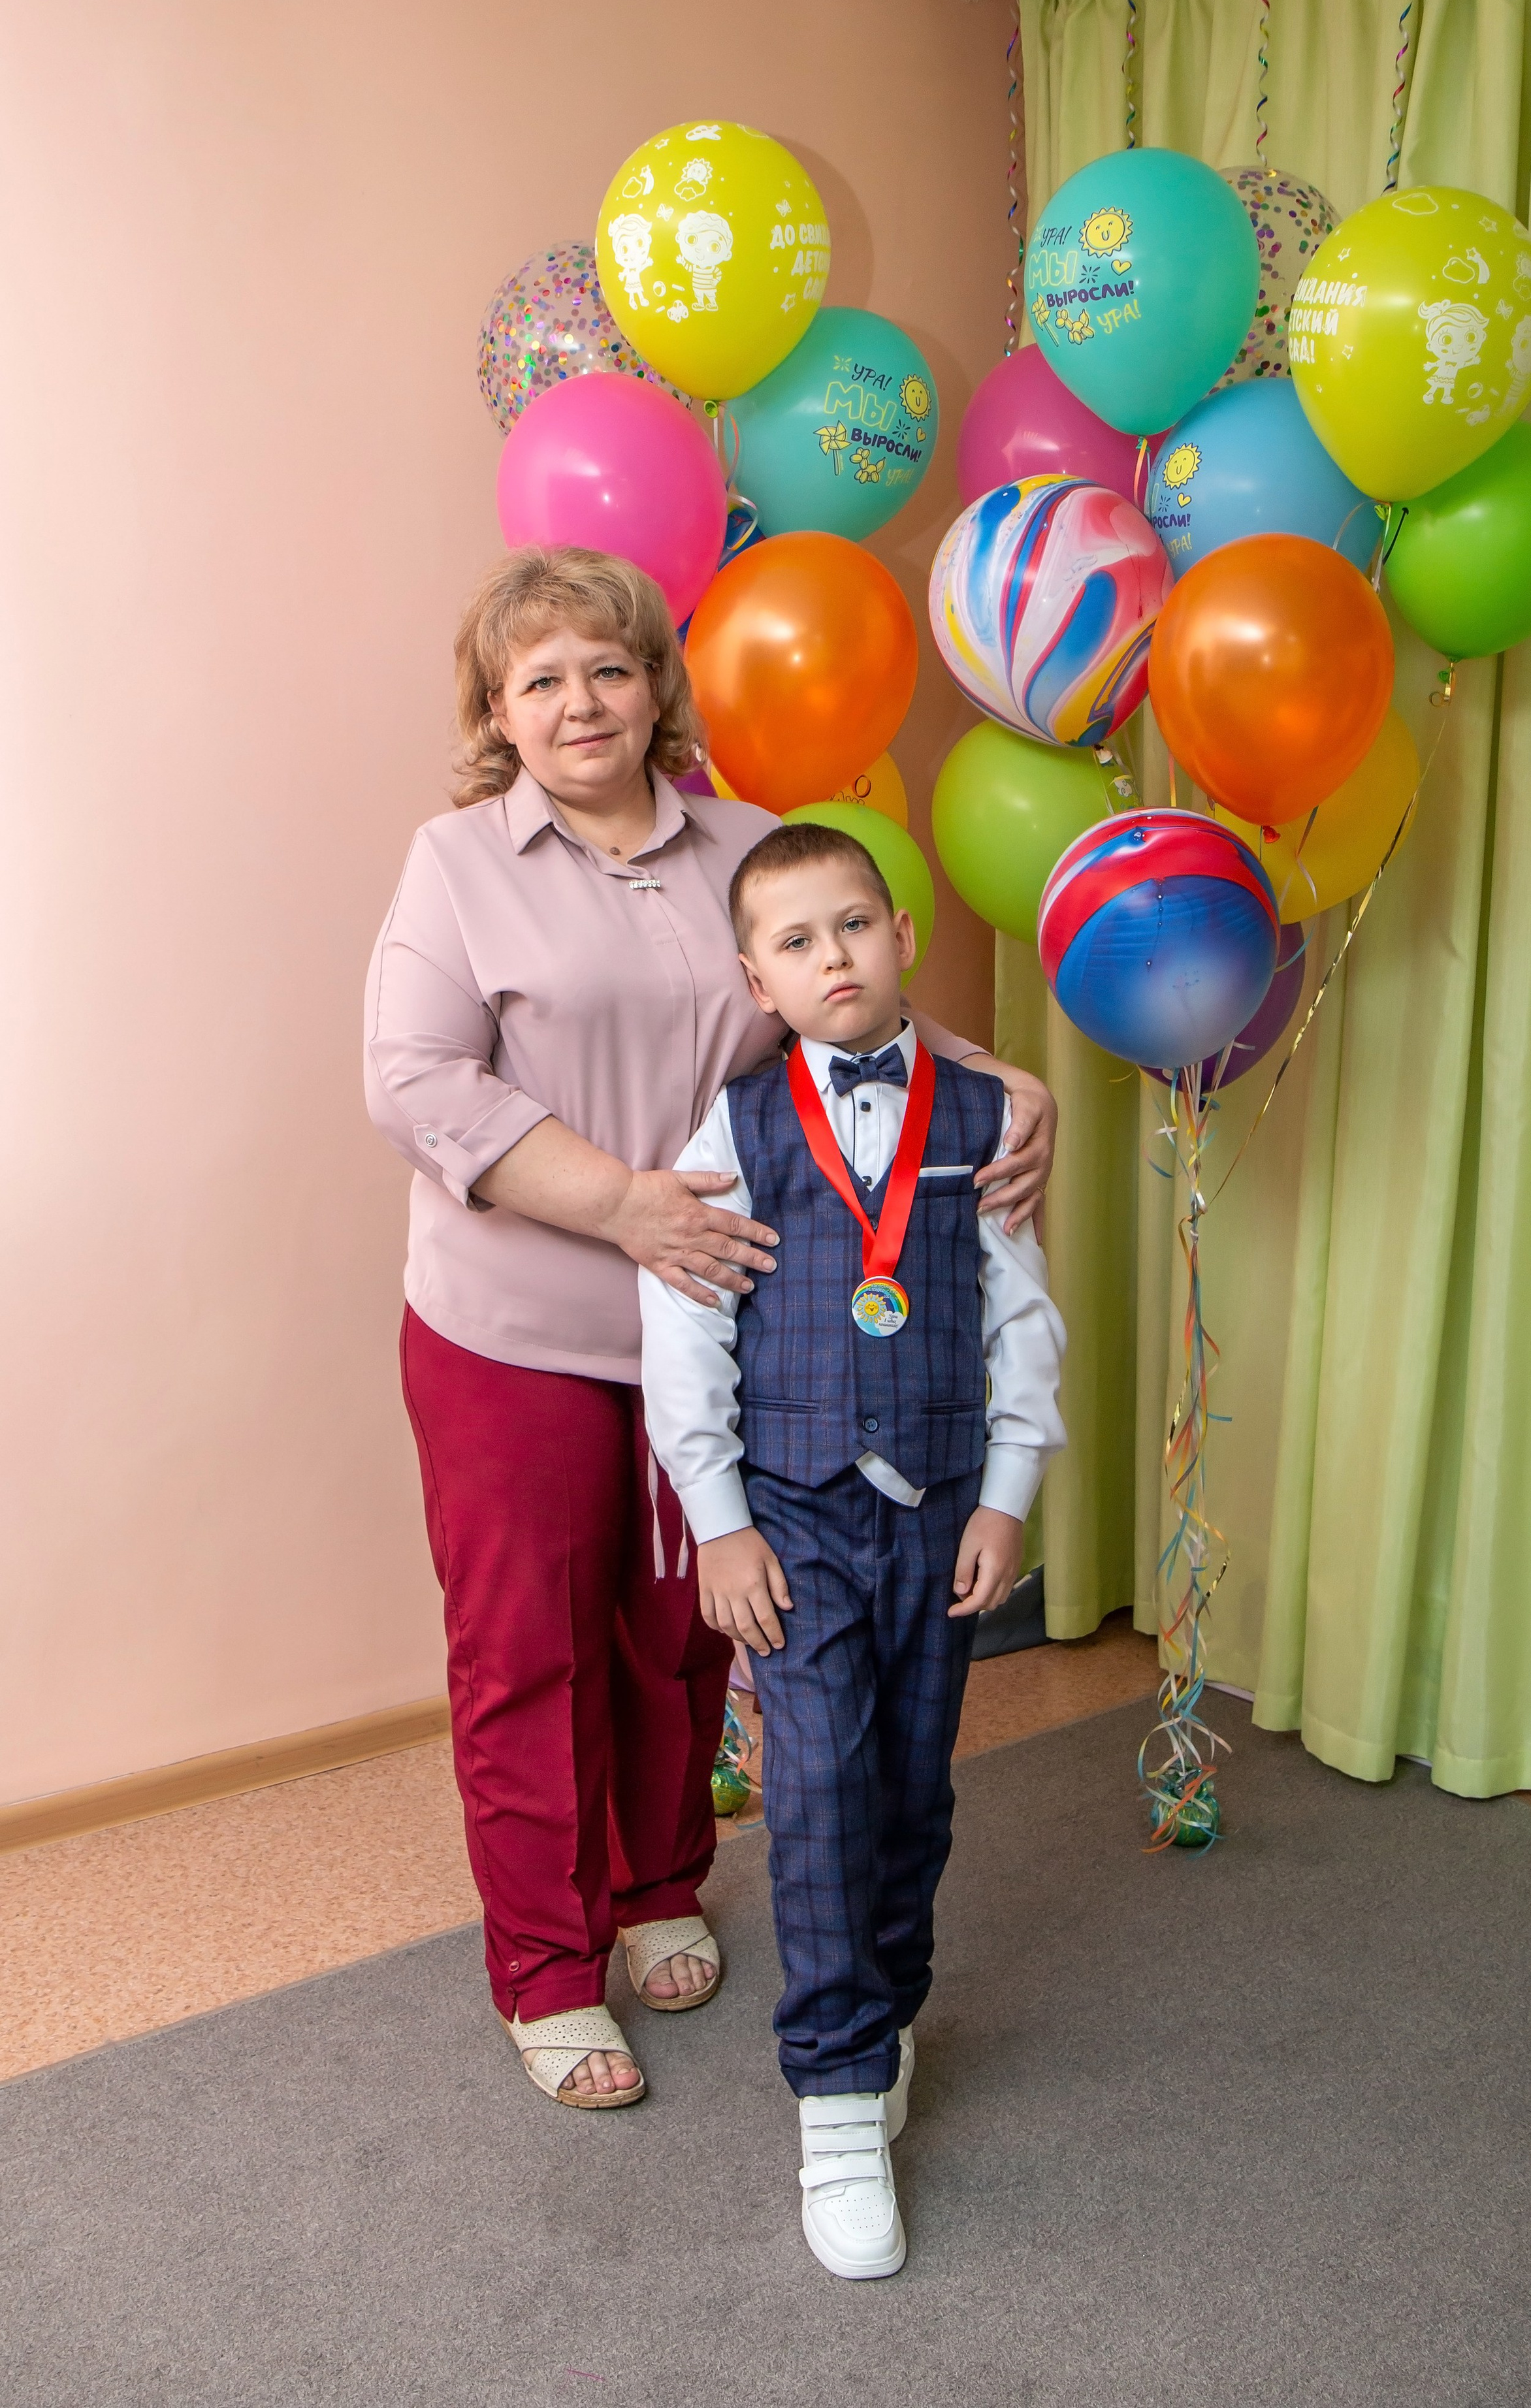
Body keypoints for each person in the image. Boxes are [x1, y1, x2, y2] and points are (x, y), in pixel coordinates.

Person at [364, 545, 1059, 2111]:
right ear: (497, 711)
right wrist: (623, 1206)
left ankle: (657, 1881)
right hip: (518, 1328)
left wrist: (1013, 1088)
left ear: (654, 687)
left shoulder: (741, 844)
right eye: (541, 679)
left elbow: (856, 1010)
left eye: (609, 668)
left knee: (690, 1627)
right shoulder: (456, 861)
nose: (580, 702)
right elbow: (413, 1080)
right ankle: (549, 1967)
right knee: (531, 1652)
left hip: (728, 1326)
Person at [639, 822, 1065, 2273]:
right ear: (755, 979)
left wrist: (1006, 1493)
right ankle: (832, 2095)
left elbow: (1020, 1312)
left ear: (902, 937)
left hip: (940, 1508)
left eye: (854, 927)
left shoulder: (984, 1117)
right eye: (796, 941)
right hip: (797, 1515)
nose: (833, 957)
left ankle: (886, 2010)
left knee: (909, 1789)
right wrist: (720, 1522)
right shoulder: (736, 1127)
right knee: (816, 1784)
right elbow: (684, 1329)